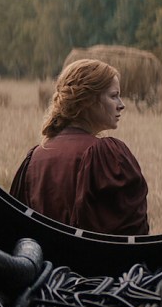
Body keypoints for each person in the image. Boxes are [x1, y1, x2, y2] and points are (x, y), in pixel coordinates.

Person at [10, 58, 150, 235]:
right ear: (88, 100)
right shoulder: (106, 155)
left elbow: (19, 230)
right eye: (114, 96)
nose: (121, 105)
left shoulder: (35, 158)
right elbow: (131, 236)